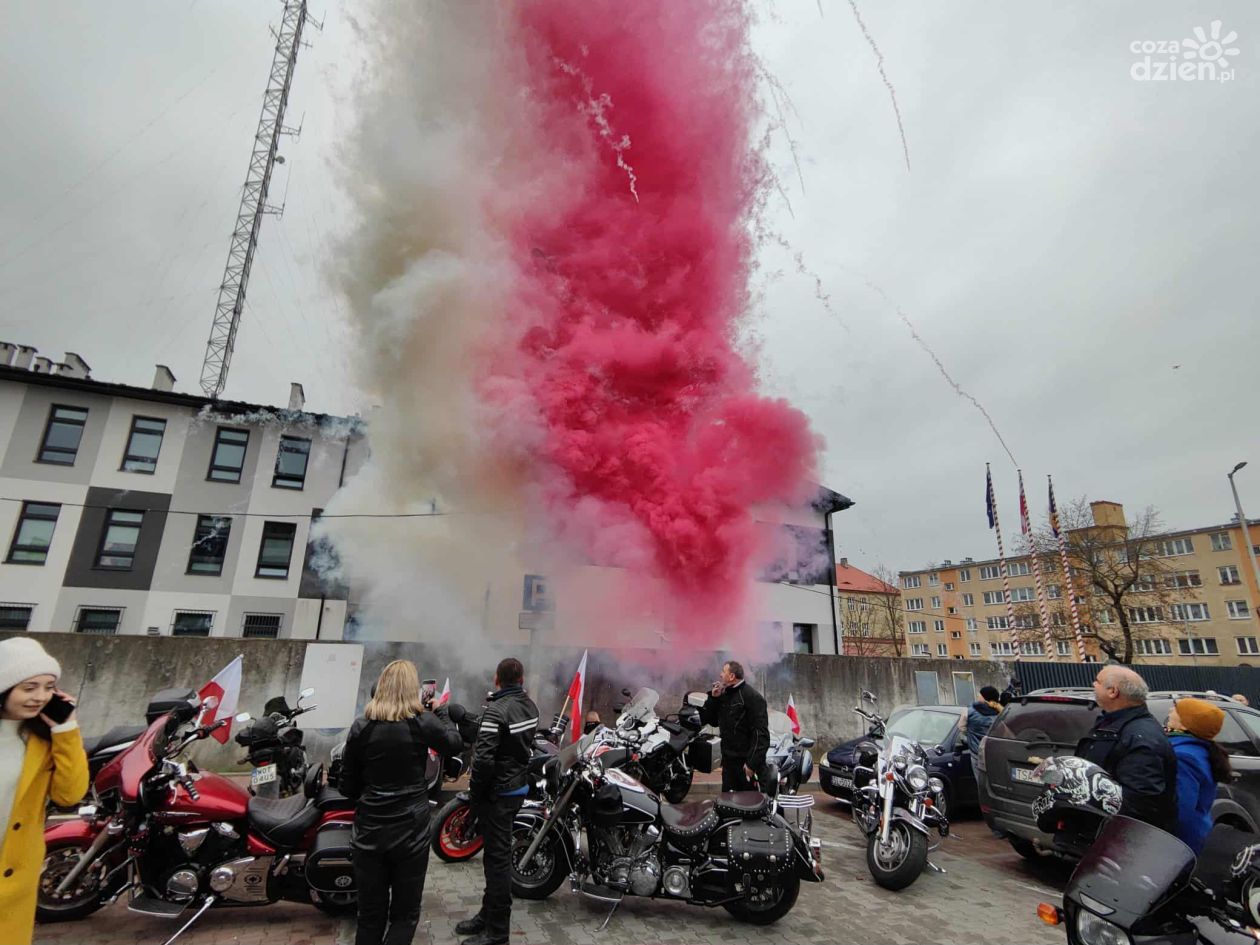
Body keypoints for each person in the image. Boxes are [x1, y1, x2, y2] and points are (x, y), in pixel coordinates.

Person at [339, 660, 462, 945]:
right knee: (404, 916)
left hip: (370, 830)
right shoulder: (422, 722)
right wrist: (441, 711)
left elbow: (348, 786)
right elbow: (454, 742)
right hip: (411, 830)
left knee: (369, 916)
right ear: (413, 690)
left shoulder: (362, 726)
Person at [0, 636, 89, 945]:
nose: (39, 697)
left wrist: (66, 729)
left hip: (14, 879)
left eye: (49, 688)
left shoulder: (43, 740)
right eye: (29, 688)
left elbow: (70, 794)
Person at [457, 658, 538, 945]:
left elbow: (483, 761)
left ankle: (497, 932)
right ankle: (486, 916)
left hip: (498, 795)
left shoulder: (495, 712)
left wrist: (476, 798)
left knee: (497, 861)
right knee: (495, 857)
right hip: (516, 789)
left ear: (496, 679)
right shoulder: (530, 706)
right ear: (522, 679)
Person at [1075, 666, 1177, 830]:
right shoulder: (1112, 723)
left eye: (1098, 681)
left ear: (1113, 691)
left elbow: (1140, 801)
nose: (1093, 684)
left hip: (1119, 838)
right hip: (1099, 832)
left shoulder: (1140, 736)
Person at [1165, 698, 1231, 854]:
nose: (1170, 711)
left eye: (1176, 710)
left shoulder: (1184, 756)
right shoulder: (1196, 749)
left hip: (1181, 843)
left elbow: (1182, 810)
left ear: (1184, 725)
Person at [700, 660, 770, 793]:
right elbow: (712, 721)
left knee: (749, 807)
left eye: (723, 672)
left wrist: (751, 764)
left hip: (746, 765)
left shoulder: (752, 697)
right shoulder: (724, 695)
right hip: (728, 764)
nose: (720, 675)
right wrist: (713, 699)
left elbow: (761, 735)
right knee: (728, 806)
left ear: (732, 676)